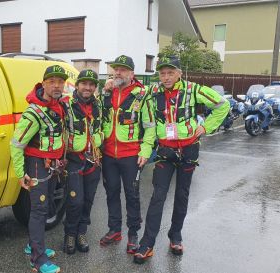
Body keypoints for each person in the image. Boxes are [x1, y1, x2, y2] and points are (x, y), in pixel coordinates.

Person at [133, 56, 230, 264]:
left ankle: (175, 236)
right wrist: (144, 150)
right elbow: (149, 125)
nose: (166, 77)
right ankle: (147, 243)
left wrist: (206, 127)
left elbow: (223, 105)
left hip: (188, 151)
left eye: (170, 72)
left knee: (182, 195)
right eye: (162, 73)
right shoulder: (152, 93)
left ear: (179, 73)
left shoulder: (194, 89)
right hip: (165, 152)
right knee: (158, 196)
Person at [10, 65, 68, 273]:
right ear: (43, 83)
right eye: (52, 81)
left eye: (60, 81)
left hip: (52, 166)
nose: (56, 85)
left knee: (46, 207)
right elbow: (16, 144)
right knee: (39, 210)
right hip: (36, 166)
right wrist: (20, 173)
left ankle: (32, 245)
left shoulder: (58, 104)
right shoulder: (33, 113)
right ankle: (38, 260)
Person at [99, 55, 156, 254]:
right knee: (111, 192)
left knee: (132, 195)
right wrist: (104, 90)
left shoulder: (142, 94)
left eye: (122, 69)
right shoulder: (107, 92)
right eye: (116, 69)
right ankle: (115, 230)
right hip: (108, 154)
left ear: (132, 73)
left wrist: (146, 150)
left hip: (131, 155)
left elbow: (150, 126)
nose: (118, 72)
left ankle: (133, 234)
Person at [61, 69, 104, 254]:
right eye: (84, 83)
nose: (87, 87)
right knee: (75, 201)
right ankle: (70, 235)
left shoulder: (99, 104)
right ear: (77, 85)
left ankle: (81, 233)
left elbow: (103, 126)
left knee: (87, 200)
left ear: (95, 87)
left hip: (93, 160)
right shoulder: (65, 104)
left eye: (91, 84)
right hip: (73, 160)